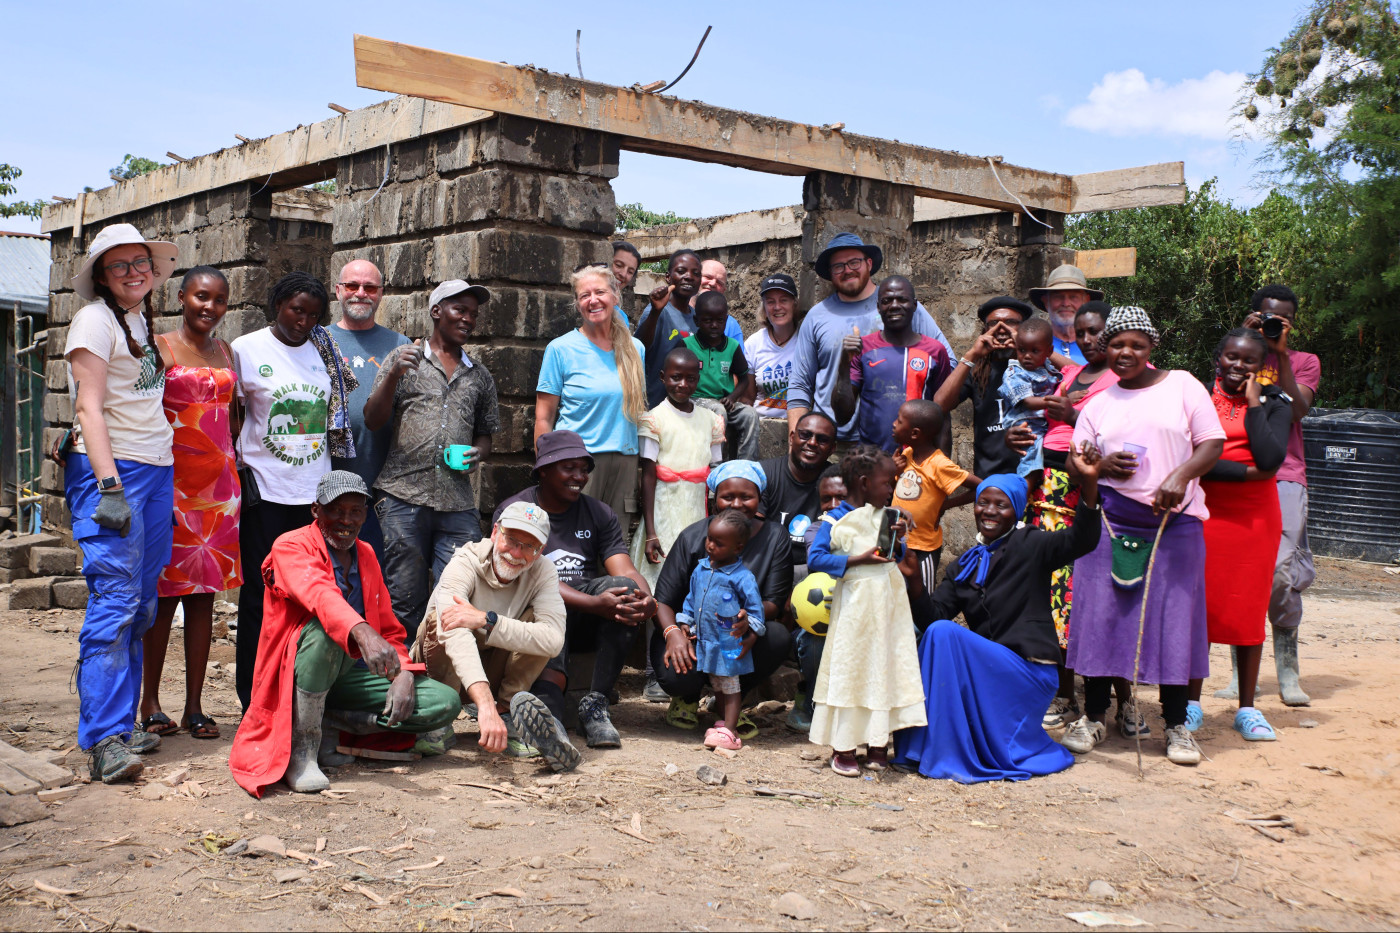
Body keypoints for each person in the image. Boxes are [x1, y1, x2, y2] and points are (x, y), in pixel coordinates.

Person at [229, 472, 460, 796]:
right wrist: (362, 632)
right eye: (336, 510)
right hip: (295, 673)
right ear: (316, 510)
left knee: (443, 702)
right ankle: (303, 750)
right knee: (327, 633)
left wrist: (404, 672)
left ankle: (331, 726)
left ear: (365, 515)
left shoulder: (365, 554)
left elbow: (389, 629)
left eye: (355, 511)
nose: (346, 520)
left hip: (350, 675)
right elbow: (319, 594)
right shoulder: (291, 546)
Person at [1063, 307, 1225, 767]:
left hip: (1175, 523)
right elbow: (1077, 464)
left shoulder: (1183, 385)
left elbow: (1212, 442)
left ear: (1152, 346)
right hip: (1111, 521)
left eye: (1136, 344)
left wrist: (1181, 476)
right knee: (1102, 615)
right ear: (1104, 349)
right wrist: (1097, 467)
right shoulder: (1099, 404)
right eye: (1117, 344)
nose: (1126, 352)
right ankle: (1094, 716)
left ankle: (1175, 725)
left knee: (1173, 619)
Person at [894, 459, 1103, 783]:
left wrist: (1090, 483)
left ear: (1016, 511)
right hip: (990, 671)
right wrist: (916, 585)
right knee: (937, 632)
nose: (989, 511)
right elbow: (933, 617)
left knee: (944, 633)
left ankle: (939, 751)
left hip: (1029, 672)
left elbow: (1082, 539)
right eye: (983, 503)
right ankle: (921, 749)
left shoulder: (1032, 544)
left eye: (1000, 505)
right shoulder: (964, 565)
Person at [61, 223, 179, 783]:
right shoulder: (94, 320)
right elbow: (88, 408)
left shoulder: (138, 320)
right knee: (114, 600)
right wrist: (109, 486)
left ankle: (122, 721)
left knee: (142, 604)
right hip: (115, 473)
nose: (133, 273)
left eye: (141, 263)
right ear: (103, 277)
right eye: (119, 266)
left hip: (154, 470)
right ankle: (103, 739)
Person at [1005, 303, 1133, 730]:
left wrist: (1073, 415)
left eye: (1096, 331)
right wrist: (1015, 438)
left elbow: (1124, 436)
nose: (1088, 339)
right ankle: (1065, 696)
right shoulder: (1071, 375)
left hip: (1092, 496)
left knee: (1102, 602)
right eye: (1081, 332)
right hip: (1049, 495)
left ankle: (1124, 701)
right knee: (1056, 602)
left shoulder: (1125, 379)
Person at [495, 431, 658, 749]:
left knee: (626, 590)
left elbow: (625, 570)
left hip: (584, 616)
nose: (579, 477)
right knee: (546, 602)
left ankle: (595, 706)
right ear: (544, 470)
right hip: (530, 614)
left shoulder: (598, 513)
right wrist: (593, 603)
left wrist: (647, 600)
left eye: (584, 469)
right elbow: (523, 578)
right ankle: (551, 717)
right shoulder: (515, 511)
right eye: (569, 468)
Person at [364, 280, 499, 643]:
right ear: (437, 311)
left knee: (456, 596)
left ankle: (442, 668)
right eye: (460, 310)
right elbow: (373, 420)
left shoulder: (479, 375)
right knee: (403, 597)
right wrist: (393, 375)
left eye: (473, 314)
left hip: (457, 503)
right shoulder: (403, 358)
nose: (468, 319)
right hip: (402, 497)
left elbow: (486, 435)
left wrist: (478, 454)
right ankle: (403, 667)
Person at [141, 266, 241, 742]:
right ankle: (150, 703)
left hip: (219, 490)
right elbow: (135, 410)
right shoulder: (156, 348)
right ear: (181, 297)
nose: (210, 307)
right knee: (163, 598)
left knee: (204, 599)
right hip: (169, 487)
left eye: (219, 300)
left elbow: (233, 420)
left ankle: (195, 707)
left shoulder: (227, 352)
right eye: (202, 296)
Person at [412, 501, 580, 770]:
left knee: (539, 625)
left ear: (540, 551)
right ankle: (441, 717)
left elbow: (553, 640)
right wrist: (484, 706)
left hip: (493, 666)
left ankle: (507, 711)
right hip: (444, 672)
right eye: (511, 539)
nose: (516, 553)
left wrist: (486, 620)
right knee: (443, 621)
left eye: (529, 546)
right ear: (494, 533)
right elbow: (454, 633)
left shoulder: (544, 571)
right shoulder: (465, 561)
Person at [1187, 328, 1292, 741]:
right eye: (1232, 356)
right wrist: (1248, 473)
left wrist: (1253, 403)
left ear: (1260, 366)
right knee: (1199, 608)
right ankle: (1190, 704)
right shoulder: (1196, 397)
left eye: (1249, 360)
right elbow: (1190, 457)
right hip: (1204, 514)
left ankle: (1246, 709)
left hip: (1254, 521)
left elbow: (1271, 458)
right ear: (1219, 357)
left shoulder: (1275, 402)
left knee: (1248, 608)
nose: (1238, 365)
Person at [806, 445, 925, 776]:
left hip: (888, 607)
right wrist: (859, 559)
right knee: (851, 669)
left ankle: (877, 743)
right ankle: (843, 746)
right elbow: (816, 559)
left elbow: (893, 556)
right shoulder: (835, 519)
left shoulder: (888, 516)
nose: (891, 489)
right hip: (855, 610)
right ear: (863, 482)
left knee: (883, 667)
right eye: (887, 482)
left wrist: (899, 539)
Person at [651, 462, 794, 736]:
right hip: (693, 633)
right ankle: (686, 698)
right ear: (714, 498)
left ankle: (728, 703)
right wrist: (674, 633)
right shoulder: (693, 537)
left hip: (735, 635)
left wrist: (747, 620)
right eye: (728, 497)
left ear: (759, 497)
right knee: (675, 673)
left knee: (777, 637)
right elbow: (664, 600)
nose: (737, 504)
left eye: (746, 497)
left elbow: (774, 602)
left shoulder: (775, 537)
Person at [1237, 284, 1321, 707]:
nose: (1273, 325)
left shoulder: (1304, 361)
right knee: (1242, 571)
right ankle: (1242, 674)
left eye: (1282, 319)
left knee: (1280, 571)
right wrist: (1245, 338)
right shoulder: (1239, 352)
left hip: (1286, 472)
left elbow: (1298, 411)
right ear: (1254, 314)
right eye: (1267, 317)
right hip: (1240, 468)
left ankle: (1287, 669)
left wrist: (1281, 355)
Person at [787, 233, 953, 439]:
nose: (847, 270)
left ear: (869, 263)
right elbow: (800, 384)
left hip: (894, 440)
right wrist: (795, 439)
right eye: (838, 266)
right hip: (830, 441)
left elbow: (945, 364)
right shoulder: (816, 317)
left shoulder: (901, 306)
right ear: (830, 273)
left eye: (854, 262)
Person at [535, 267, 647, 525]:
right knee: (574, 538)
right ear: (577, 304)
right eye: (585, 296)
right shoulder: (560, 349)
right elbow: (544, 418)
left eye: (600, 292)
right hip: (576, 462)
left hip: (625, 461)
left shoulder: (635, 349)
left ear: (615, 296)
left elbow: (639, 412)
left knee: (616, 539)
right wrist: (545, 467)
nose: (593, 300)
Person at [330, 258, 410, 557]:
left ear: (381, 294)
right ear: (338, 290)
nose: (361, 293)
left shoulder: (399, 344)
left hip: (382, 486)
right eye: (352, 285)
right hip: (327, 482)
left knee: (375, 567)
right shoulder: (318, 340)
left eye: (370, 287)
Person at [630, 348, 724, 589]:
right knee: (660, 574)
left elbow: (716, 470)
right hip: (663, 512)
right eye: (675, 377)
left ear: (698, 380)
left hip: (697, 510)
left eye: (690, 378)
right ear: (663, 377)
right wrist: (651, 532)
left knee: (694, 570)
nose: (683, 384)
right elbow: (648, 475)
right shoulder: (654, 419)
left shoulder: (710, 420)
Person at [676, 510, 766, 751]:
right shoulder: (701, 569)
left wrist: (749, 625)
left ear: (738, 548)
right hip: (707, 641)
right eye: (709, 538)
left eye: (719, 543)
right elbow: (691, 598)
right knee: (718, 684)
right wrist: (685, 621)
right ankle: (725, 722)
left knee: (731, 686)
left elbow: (756, 613)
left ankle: (730, 732)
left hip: (728, 642)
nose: (710, 545)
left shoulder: (742, 577)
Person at [831, 276, 954, 453]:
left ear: (914, 305)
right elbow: (842, 416)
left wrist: (943, 466)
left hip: (919, 462)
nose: (894, 305)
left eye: (902, 299)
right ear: (878, 307)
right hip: (873, 461)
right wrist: (844, 363)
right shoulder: (863, 348)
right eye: (887, 301)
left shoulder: (935, 351)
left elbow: (943, 415)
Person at [933, 296, 1034, 478]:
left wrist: (1027, 347)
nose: (1001, 329)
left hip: (1032, 474)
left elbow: (1074, 373)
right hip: (990, 477)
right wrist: (971, 355)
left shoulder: (1037, 367)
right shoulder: (979, 370)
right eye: (994, 323)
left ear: (1024, 328)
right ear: (985, 330)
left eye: (1010, 322)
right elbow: (940, 405)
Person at [891, 400, 979, 591]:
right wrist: (892, 471)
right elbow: (892, 491)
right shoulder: (906, 454)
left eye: (899, 421)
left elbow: (981, 487)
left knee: (922, 595)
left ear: (915, 433)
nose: (894, 424)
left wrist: (945, 505)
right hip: (896, 542)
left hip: (923, 547)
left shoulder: (939, 464)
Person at [788, 461, 849, 734]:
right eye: (826, 499)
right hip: (826, 617)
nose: (833, 505)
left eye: (841, 497)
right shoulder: (816, 530)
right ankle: (810, 699)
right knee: (813, 640)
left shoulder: (874, 526)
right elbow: (821, 561)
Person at [683, 291, 760, 460]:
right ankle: (716, 463)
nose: (714, 325)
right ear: (696, 321)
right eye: (707, 320)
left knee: (750, 414)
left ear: (726, 320)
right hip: (696, 401)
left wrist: (732, 398)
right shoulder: (687, 345)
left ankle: (746, 463)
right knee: (718, 412)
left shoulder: (732, 346)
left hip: (724, 401)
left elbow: (744, 379)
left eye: (720, 320)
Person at [758, 412, 839, 569]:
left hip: (819, 567)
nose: (812, 443)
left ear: (832, 448)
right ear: (791, 437)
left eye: (822, 440)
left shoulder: (839, 482)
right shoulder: (764, 475)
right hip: (771, 564)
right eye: (805, 435)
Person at [636, 250, 703, 408]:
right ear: (668, 277)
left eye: (695, 273)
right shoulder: (658, 311)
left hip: (685, 408)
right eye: (681, 271)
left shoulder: (697, 318)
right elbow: (640, 347)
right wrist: (655, 312)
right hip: (655, 406)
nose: (689, 276)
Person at [998, 318, 1062, 480]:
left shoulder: (1047, 367)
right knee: (1032, 460)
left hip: (1042, 421)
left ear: (1049, 351)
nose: (1027, 356)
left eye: (1035, 351)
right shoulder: (1015, 373)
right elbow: (1028, 402)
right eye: (1022, 350)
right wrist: (1061, 400)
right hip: (1026, 424)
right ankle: (1025, 490)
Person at [744, 273, 802, 418]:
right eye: (770, 302)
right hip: (762, 422)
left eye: (784, 300)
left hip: (799, 422)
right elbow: (748, 397)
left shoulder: (806, 339)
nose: (777, 307)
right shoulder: (753, 343)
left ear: (794, 304)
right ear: (764, 307)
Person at [1028, 264, 1103, 365]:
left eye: (1073, 297)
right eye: (1058, 297)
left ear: (1086, 300)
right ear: (1046, 301)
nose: (1066, 303)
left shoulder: (1101, 348)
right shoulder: (1029, 347)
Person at [691, 259, 745, 342]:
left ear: (723, 290)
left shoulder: (730, 325)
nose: (712, 283)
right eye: (708, 277)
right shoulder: (674, 315)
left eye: (719, 282)